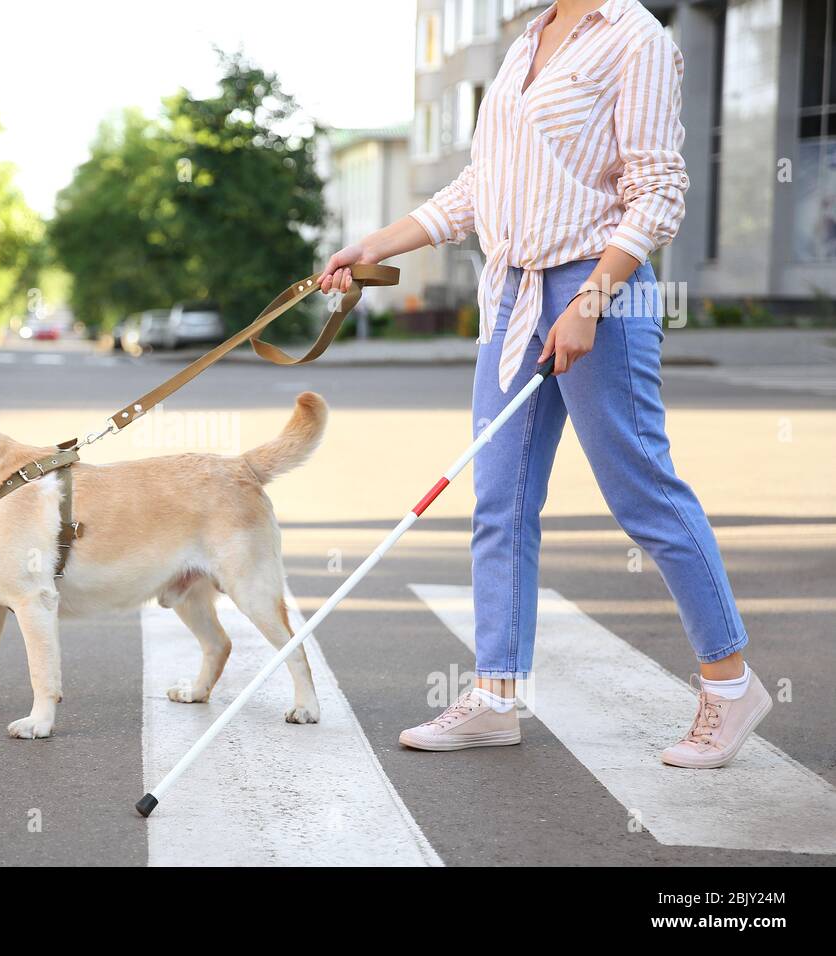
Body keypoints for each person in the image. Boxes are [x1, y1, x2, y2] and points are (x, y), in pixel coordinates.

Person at [319, 0, 770, 768]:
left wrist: (590, 301)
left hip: (599, 289)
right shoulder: (527, 39)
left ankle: (729, 686)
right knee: (500, 502)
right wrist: (376, 244)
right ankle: (494, 697)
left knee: (644, 495)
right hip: (512, 298)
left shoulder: (635, 37)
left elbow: (658, 189)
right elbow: (480, 187)